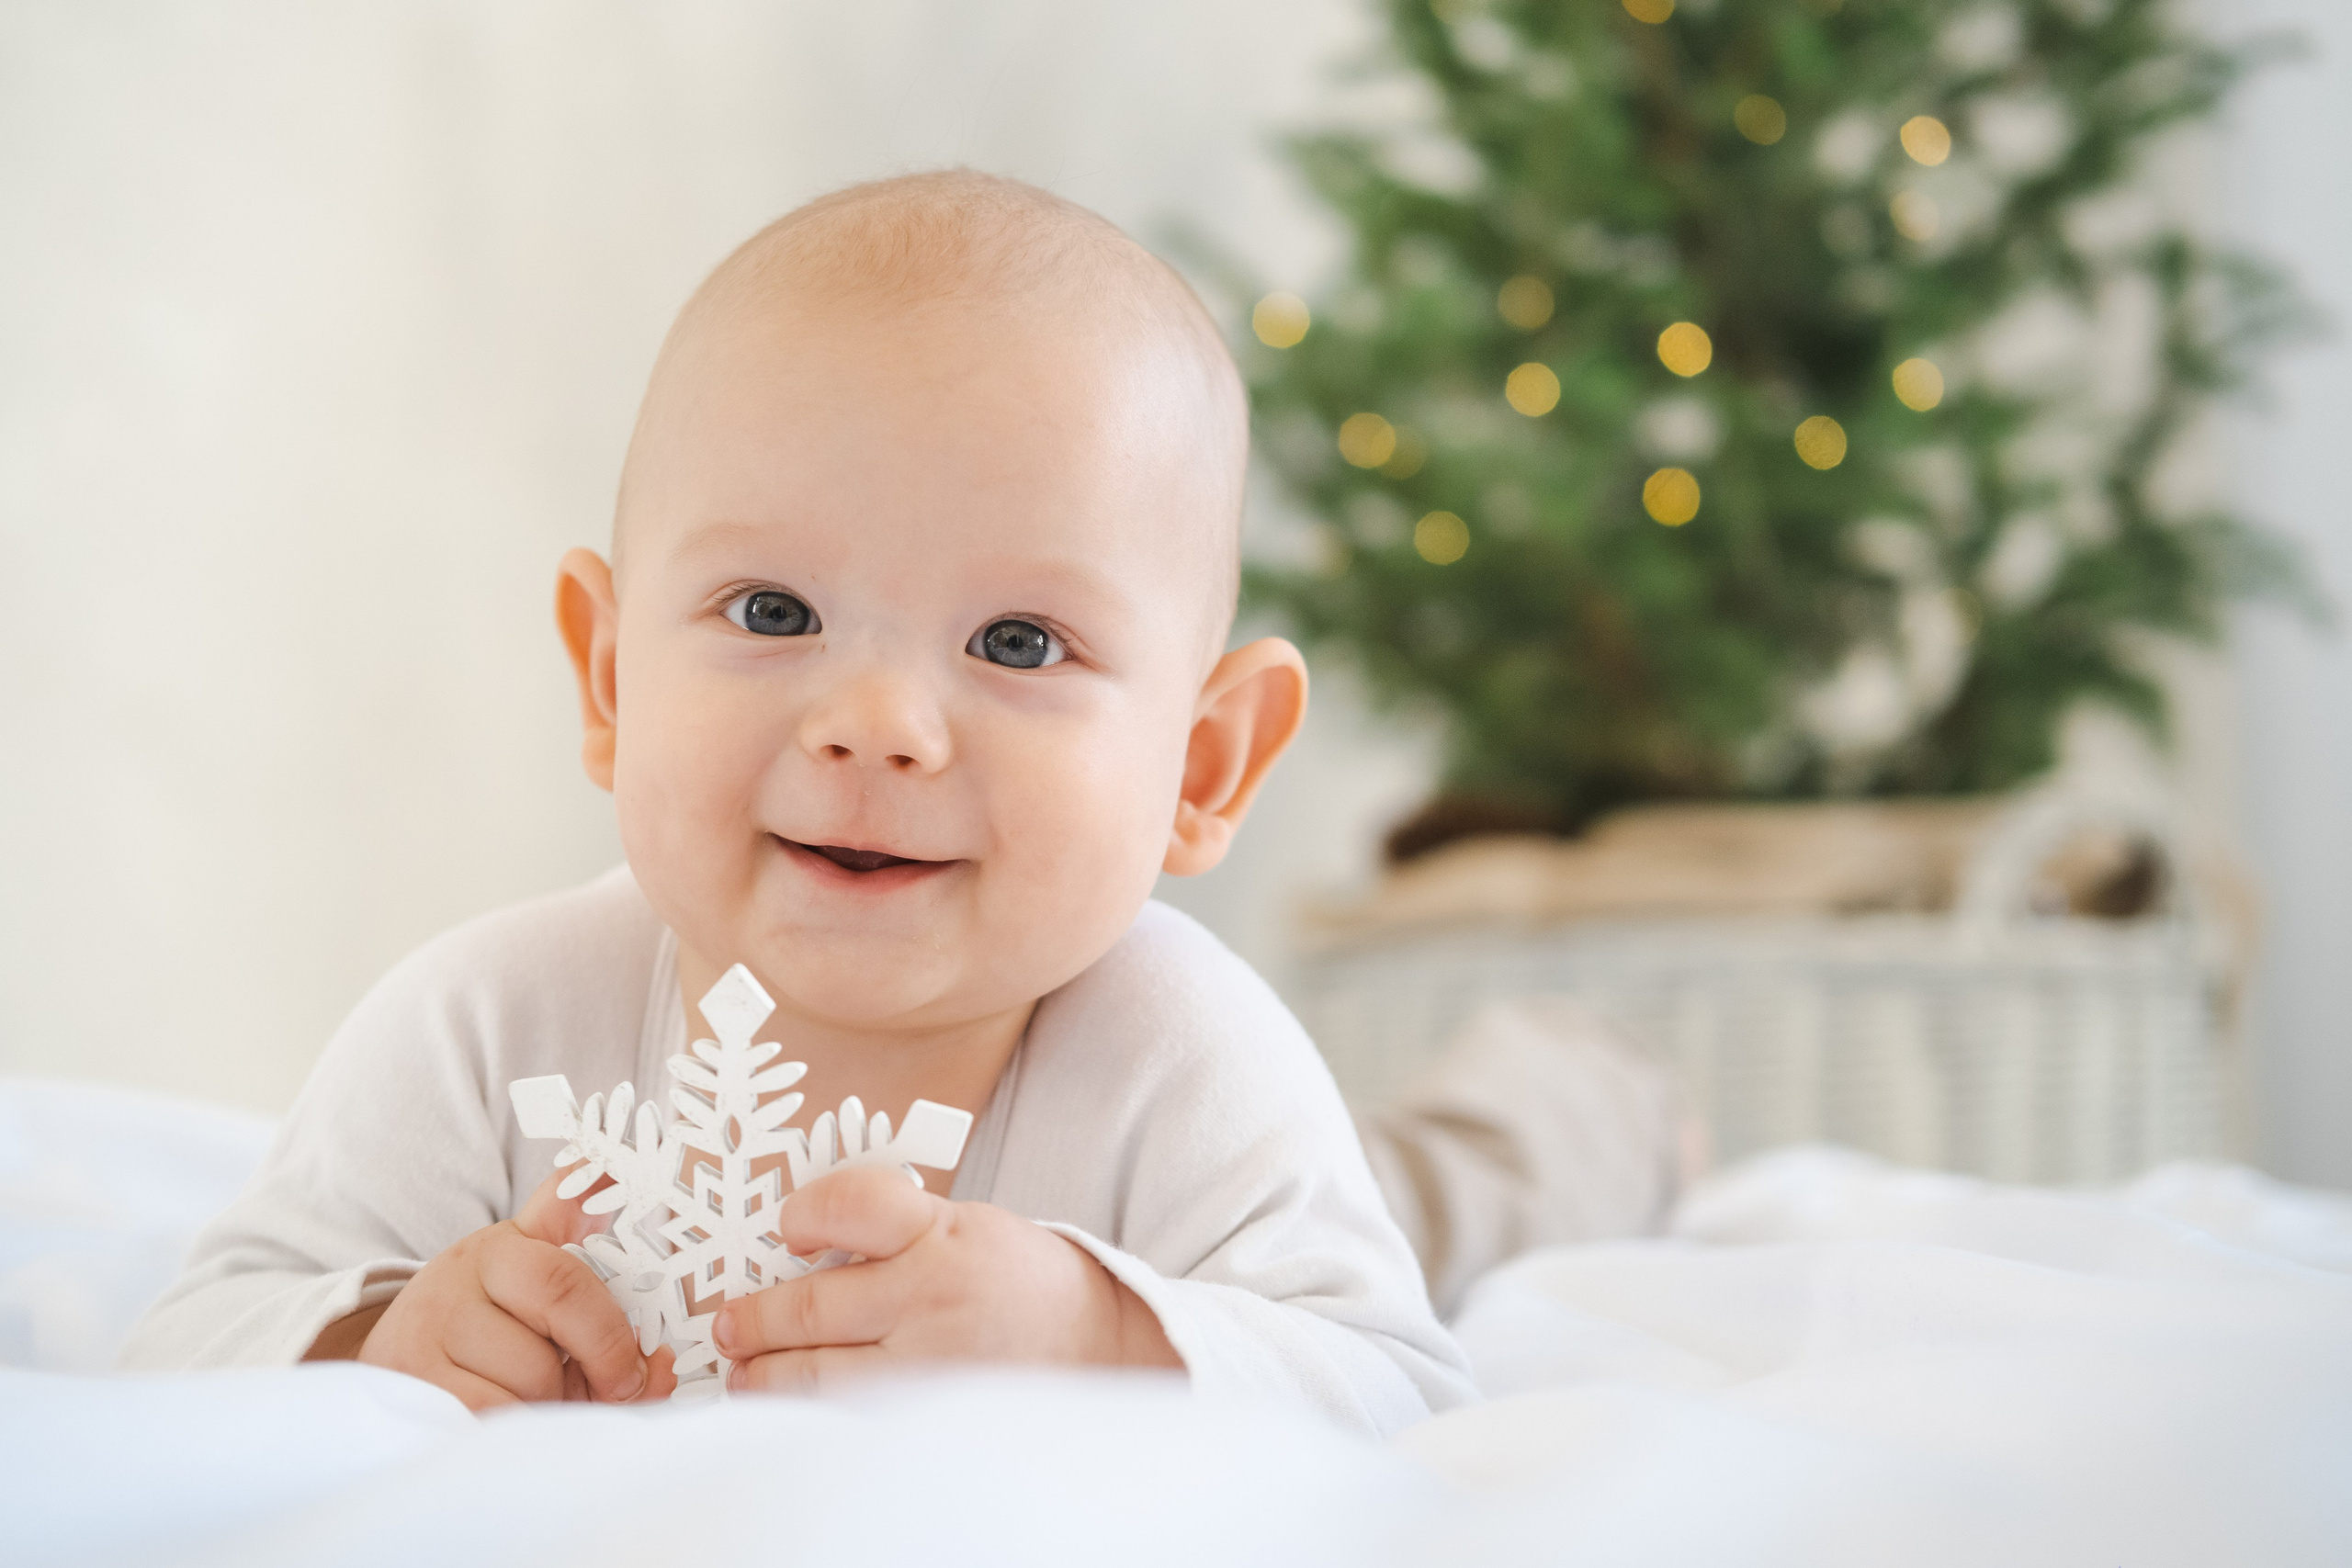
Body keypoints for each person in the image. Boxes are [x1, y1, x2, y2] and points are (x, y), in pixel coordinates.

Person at [119, 171, 1479, 1435]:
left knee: (1467, 1187)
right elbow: (184, 1346)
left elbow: (1401, 1389)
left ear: (1202, 765)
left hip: (1336, 1192)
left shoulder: (1183, 1059)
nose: (877, 728)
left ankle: (1552, 1102)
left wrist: (1099, 1332)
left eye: (1017, 642)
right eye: (776, 612)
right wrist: (382, 1338)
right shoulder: (486, 1025)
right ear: (607, 677)